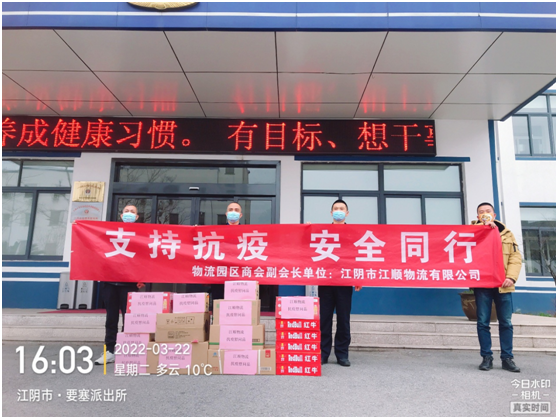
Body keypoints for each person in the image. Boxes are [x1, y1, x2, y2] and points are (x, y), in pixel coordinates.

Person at [471, 202, 522, 373]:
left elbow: (515, 257)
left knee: (506, 322)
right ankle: (486, 357)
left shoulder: (507, 234)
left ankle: (507, 358)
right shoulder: (471, 232)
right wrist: (483, 229)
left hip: (503, 284)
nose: (485, 213)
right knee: (482, 322)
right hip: (483, 284)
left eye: (488, 211)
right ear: (478, 217)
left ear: (494, 214)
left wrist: (511, 277)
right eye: (481, 212)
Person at [94, 205, 145, 365]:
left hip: (129, 283)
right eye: (126, 211)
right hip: (109, 282)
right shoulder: (110, 232)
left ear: (137, 217)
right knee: (111, 318)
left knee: (129, 318)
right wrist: (78, 226)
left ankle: (125, 350)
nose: (129, 214)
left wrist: (143, 277)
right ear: (121, 215)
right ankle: (109, 350)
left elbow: (146, 258)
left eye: (132, 212)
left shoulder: (142, 235)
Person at [317, 199, 362, 367]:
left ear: (347, 213)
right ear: (331, 213)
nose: (338, 211)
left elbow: (357, 256)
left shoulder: (352, 234)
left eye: (341, 208)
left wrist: (358, 277)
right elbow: (308, 249)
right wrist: (307, 230)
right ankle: (323, 353)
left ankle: (342, 354)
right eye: (336, 208)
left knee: (343, 319)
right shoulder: (322, 233)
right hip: (326, 281)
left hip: (345, 281)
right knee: (324, 319)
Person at [210, 202, 243, 303]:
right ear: (226, 214)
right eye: (231, 210)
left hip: (240, 275)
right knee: (219, 305)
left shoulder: (247, 232)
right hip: (220, 275)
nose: (233, 212)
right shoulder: (217, 232)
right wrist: (196, 231)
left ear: (240, 215)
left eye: (236, 210)